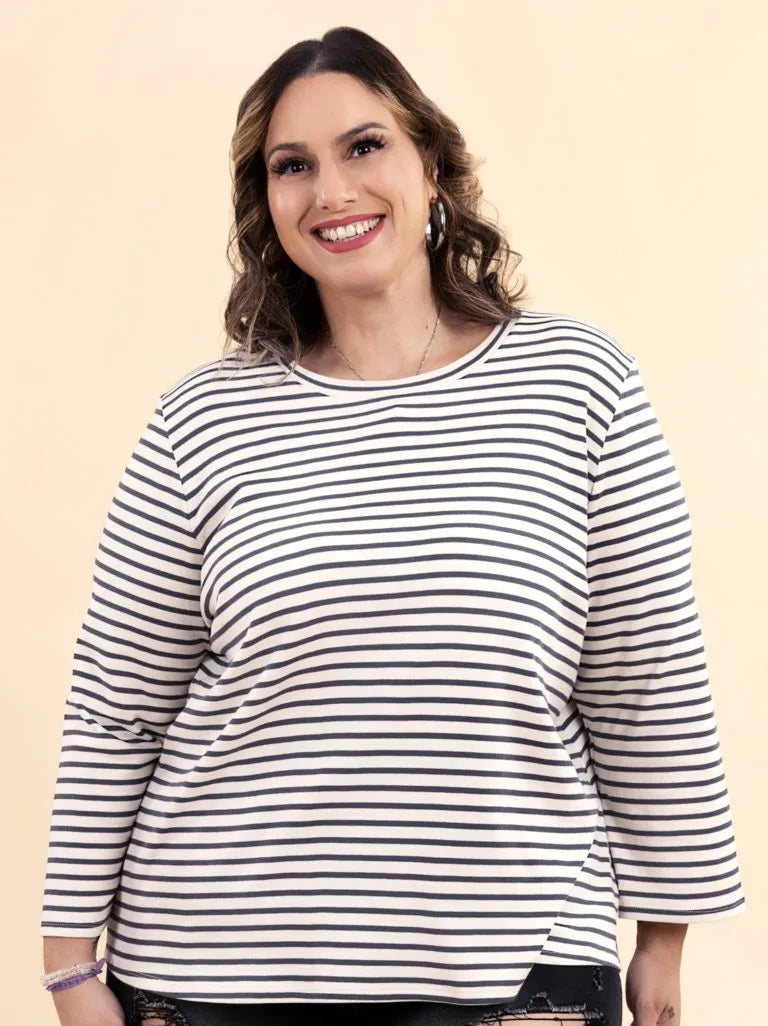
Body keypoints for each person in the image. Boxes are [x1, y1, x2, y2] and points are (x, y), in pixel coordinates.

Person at [40, 24, 746, 1026]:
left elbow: (647, 676)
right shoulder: (201, 418)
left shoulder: (576, 384)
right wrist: (71, 967)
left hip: (520, 978)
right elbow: (119, 705)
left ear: (434, 167)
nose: (331, 191)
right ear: (266, 205)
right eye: (293, 166)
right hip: (214, 977)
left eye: (364, 146)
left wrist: (664, 941)